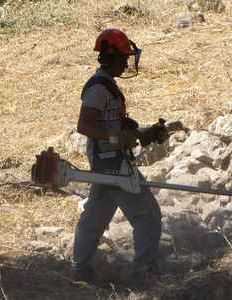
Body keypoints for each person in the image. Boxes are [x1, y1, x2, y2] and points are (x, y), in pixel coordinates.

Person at [71, 28, 167, 283]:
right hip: (112, 163)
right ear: (109, 58)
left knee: (96, 215)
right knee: (147, 215)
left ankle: (79, 267)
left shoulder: (107, 86)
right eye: (123, 58)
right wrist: (118, 139)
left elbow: (113, 126)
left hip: (108, 161)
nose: (126, 63)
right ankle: (144, 270)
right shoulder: (99, 89)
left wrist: (142, 133)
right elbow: (85, 126)